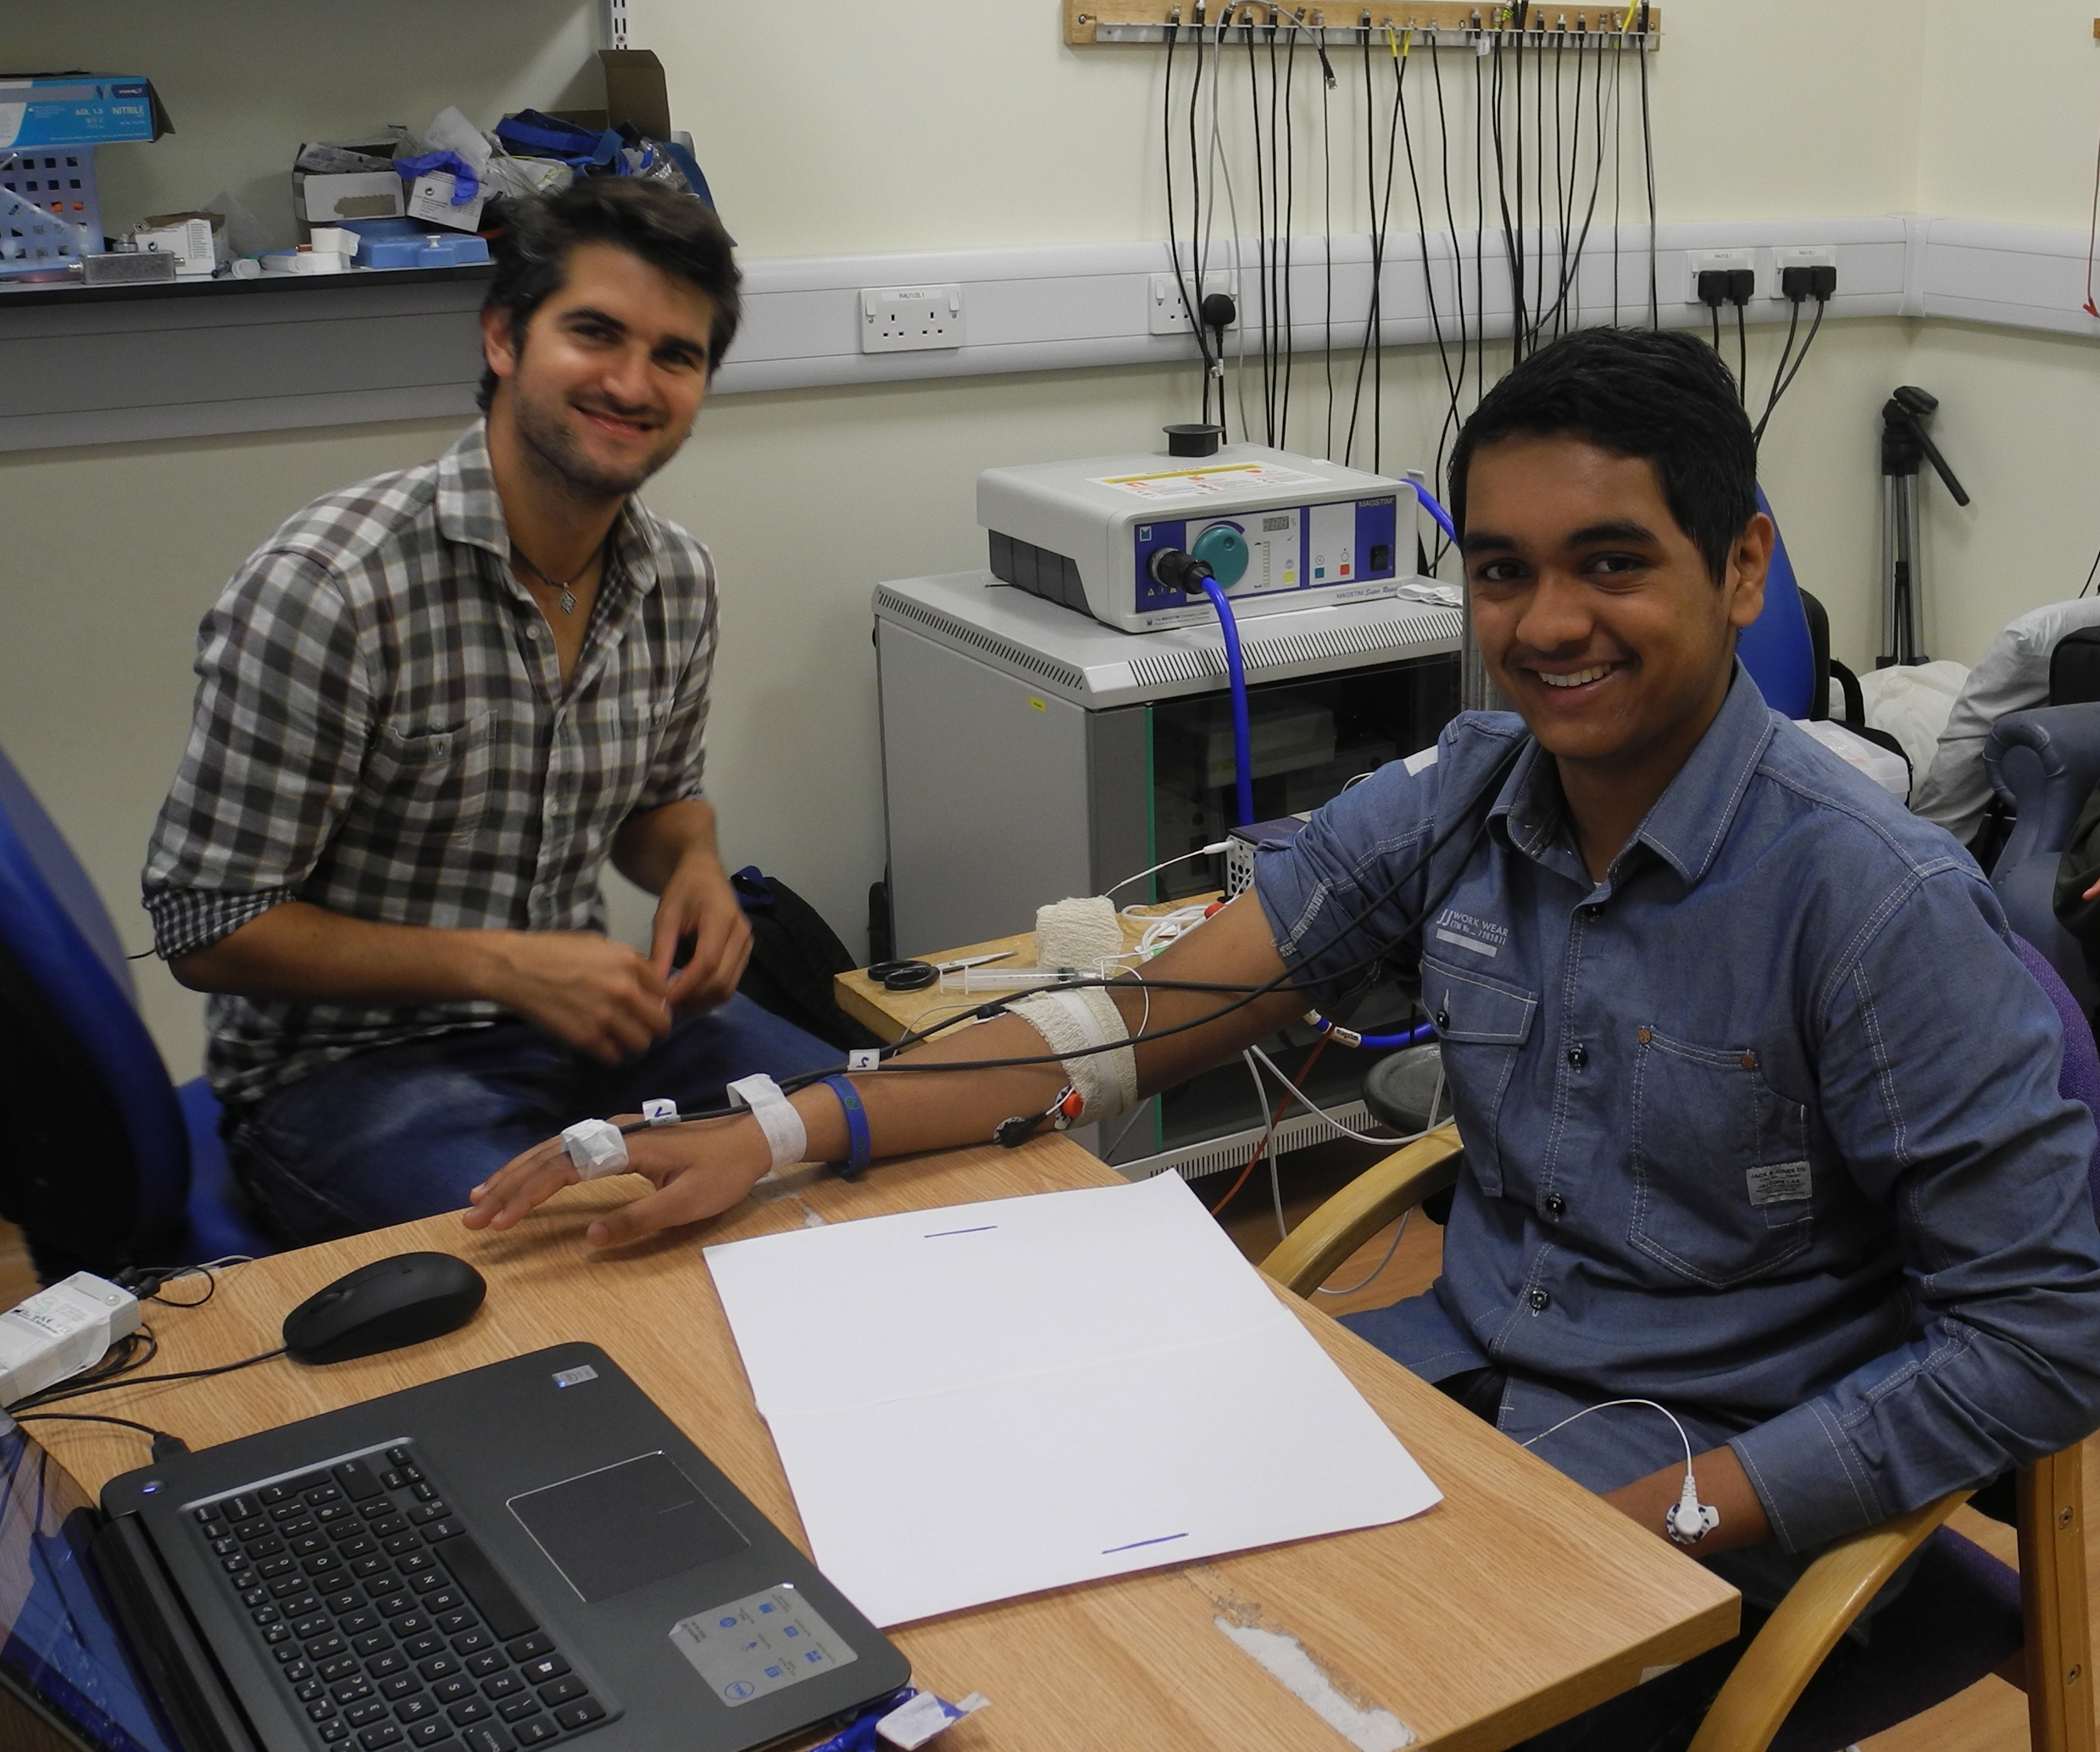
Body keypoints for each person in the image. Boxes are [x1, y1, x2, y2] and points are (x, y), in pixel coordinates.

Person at [467, 328, 2100, 1748]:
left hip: (1702, 1488)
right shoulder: (1463, 789)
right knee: (1013, 1606)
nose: (1544, 624)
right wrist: (778, 1132)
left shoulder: (1870, 905)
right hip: (1439, 1406)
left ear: (1739, 569)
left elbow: (2040, 1338)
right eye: (1501, 569)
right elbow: (1135, 1019)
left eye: (1610, 562)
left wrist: (1664, 1520)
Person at [143, 178, 836, 1245]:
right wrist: (500, 963)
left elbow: (661, 803)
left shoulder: (677, 578)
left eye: (675, 355)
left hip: (595, 1033)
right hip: (348, 1070)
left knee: (852, 1149)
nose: (631, 381)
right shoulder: (333, 584)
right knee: (581, 1280)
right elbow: (208, 922)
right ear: (505, 338)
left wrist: (694, 866)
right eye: (594, 333)